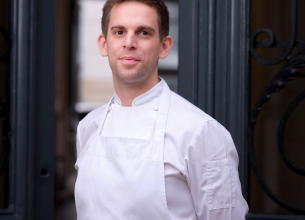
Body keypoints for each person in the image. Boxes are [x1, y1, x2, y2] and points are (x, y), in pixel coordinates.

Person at [74, 0, 249, 219]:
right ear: (103, 44)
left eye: (144, 33)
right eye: (119, 31)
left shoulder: (201, 133)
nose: (129, 42)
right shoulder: (88, 126)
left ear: (164, 46)